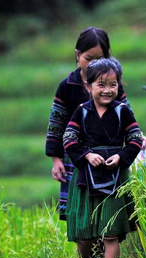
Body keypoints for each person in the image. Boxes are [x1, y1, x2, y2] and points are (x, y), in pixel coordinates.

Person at [63, 58, 143, 258]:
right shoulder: (81, 111)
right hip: (85, 178)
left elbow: (136, 138)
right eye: (101, 84)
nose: (107, 90)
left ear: (119, 85)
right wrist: (87, 155)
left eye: (113, 84)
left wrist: (121, 157)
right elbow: (69, 139)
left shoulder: (122, 111)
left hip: (115, 177)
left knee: (111, 232)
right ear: (88, 87)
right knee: (83, 233)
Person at [45, 27, 130, 221]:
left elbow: (126, 113)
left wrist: (134, 135)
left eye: (99, 59)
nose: (93, 64)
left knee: (106, 208)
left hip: (108, 153)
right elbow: (56, 124)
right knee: (79, 209)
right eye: (88, 58)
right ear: (77, 55)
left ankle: (105, 244)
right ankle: (85, 249)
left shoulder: (113, 85)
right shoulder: (67, 86)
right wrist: (56, 160)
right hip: (76, 156)